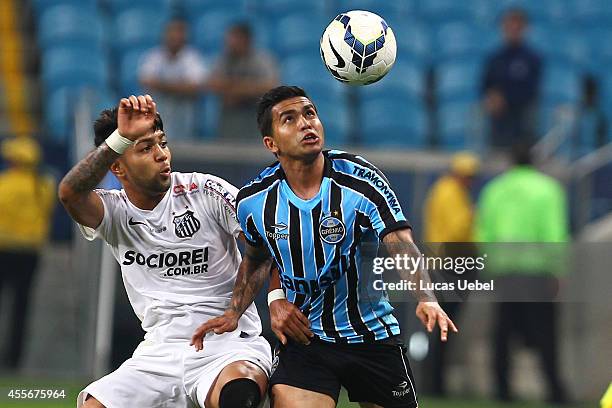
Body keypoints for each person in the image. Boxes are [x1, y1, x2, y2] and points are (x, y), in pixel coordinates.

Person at [191, 86, 457, 408]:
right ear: (271, 144)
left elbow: (400, 244)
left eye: (310, 114)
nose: (306, 124)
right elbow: (259, 259)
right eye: (290, 119)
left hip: (371, 334)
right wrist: (234, 311)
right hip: (307, 340)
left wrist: (426, 298)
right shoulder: (254, 201)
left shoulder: (360, 179)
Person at [58, 95, 271, 408]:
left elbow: (261, 245)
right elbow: (70, 193)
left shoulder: (205, 190)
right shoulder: (114, 212)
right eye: (145, 148)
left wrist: (235, 310)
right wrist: (121, 137)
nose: (162, 155)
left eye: (162, 143)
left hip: (228, 346)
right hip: (158, 354)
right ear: (118, 166)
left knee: (238, 394)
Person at [477, 144, 569, 404]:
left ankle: (501, 388)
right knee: (545, 333)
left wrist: (489, 266)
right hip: (536, 270)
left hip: (504, 269)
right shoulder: (548, 189)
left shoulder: (494, 189)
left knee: (503, 332)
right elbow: (554, 231)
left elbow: (483, 231)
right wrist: (558, 269)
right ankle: (554, 389)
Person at [422, 151, 479, 395]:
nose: (470, 181)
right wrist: (473, 216)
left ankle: (434, 382)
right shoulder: (451, 193)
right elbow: (457, 231)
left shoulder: (441, 190)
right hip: (450, 266)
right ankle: (435, 384)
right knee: (443, 327)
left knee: (439, 328)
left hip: (441, 265)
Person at [0, 137, 55, 369]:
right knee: (22, 305)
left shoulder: (5, 184)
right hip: (31, 252)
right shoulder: (44, 185)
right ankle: (14, 358)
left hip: (4, 249)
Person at [481, 8, 542, 149]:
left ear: (524, 29)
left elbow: (531, 89)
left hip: (522, 119)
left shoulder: (532, 59)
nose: (512, 30)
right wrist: (492, 98)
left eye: (517, 27)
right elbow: (485, 85)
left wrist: (505, 99)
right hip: (498, 121)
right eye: (509, 26)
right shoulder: (494, 58)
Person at [139, 19, 208, 140]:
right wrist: (179, 86)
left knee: (184, 144)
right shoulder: (154, 56)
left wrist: (163, 85)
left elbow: (195, 87)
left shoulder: (192, 57)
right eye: (172, 34)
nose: (175, 38)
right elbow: (146, 81)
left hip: (185, 113)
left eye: (179, 34)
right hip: (159, 110)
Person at [208, 22, 278, 140]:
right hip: (229, 118)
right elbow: (213, 84)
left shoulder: (262, 59)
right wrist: (247, 87)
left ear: (246, 40)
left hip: (254, 118)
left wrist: (236, 90)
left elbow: (271, 86)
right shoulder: (224, 59)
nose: (230, 42)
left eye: (234, 38)